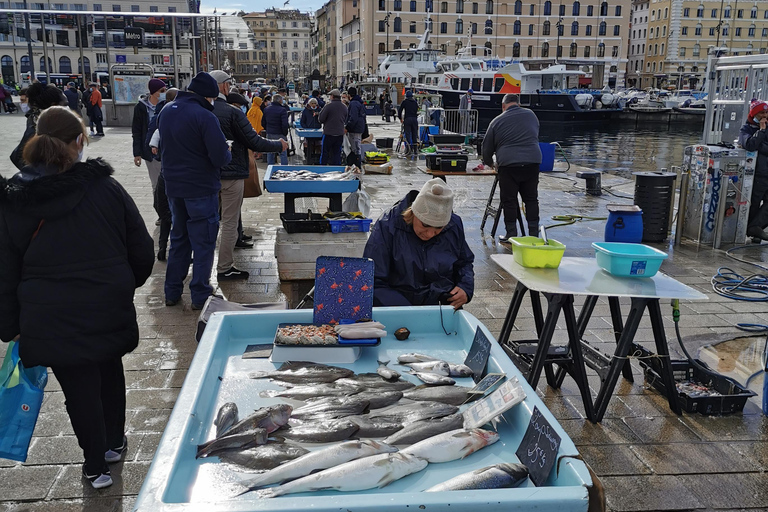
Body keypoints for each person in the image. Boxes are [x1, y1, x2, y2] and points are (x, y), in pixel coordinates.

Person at [0, 106, 154, 489]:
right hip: (105, 304)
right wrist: (122, 283)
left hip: (49, 316)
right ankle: (114, 443)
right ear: (80, 141)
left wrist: (11, 325)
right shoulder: (105, 187)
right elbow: (142, 249)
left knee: (78, 385)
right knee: (108, 370)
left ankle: (94, 464)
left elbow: (4, 269)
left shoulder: (15, 197)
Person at [157, 72, 232, 310]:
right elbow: (219, 157)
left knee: (178, 238)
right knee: (204, 241)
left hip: (173, 187)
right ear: (208, 97)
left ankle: (172, 291)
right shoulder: (204, 116)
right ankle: (200, 294)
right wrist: (227, 150)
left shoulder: (167, 110)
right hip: (200, 188)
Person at [210, 70, 287, 280]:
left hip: (205, 176)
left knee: (206, 221)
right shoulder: (231, 112)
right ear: (225, 87)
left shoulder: (198, 111)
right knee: (229, 222)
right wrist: (278, 145)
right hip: (231, 173)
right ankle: (224, 267)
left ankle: (201, 268)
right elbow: (254, 141)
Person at [363, 178, 474, 309]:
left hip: (441, 306)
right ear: (413, 214)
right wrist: (408, 312)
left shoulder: (453, 225)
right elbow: (372, 279)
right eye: (425, 225)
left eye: (438, 228)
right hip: (396, 307)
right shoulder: (388, 225)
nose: (429, 234)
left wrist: (465, 287)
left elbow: (464, 262)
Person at [482, 93, 542, 242]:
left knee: (509, 200)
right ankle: (534, 235)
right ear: (518, 104)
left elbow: (486, 148)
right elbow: (534, 134)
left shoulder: (496, 121)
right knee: (531, 199)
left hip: (509, 165)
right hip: (532, 162)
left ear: (503, 106)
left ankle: (511, 234)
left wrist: (490, 163)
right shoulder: (531, 115)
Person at [147, 87, 179, 261]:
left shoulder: (161, 115)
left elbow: (152, 139)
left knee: (166, 216)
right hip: (175, 176)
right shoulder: (175, 118)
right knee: (177, 216)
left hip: (165, 174)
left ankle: (162, 249)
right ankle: (173, 250)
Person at [10, 82, 67, 170]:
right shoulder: (39, 127)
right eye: (65, 104)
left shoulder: (38, 119)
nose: (68, 108)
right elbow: (19, 158)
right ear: (53, 105)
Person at [132, 78, 167, 199]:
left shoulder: (167, 105)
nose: (164, 93)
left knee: (168, 184)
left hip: (166, 150)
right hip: (149, 152)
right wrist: (137, 153)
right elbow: (136, 131)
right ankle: (161, 213)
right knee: (156, 185)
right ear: (153, 92)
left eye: (165, 90)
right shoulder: (141, 108)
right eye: (162, 90)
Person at [739, 100, 768, 241]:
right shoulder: (746, 129)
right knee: (754, 203)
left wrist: (761, 146)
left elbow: (760, 146)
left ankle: (755, 227)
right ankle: (752, 230)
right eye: (762, 113)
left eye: (766, 112)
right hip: (758, 173)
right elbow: (750, 145)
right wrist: (761, 131)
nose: (765, 115)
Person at [318, 89, 347, 165]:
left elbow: (321, 119)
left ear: (332, 96)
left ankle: (322, 168)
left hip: (328, 133)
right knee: (337, 153)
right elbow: (346, 119)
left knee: (325, 153)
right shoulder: (344, 107)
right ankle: (336, 169)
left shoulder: (328, 106)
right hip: (339, 134)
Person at [262, 94, 289, 165]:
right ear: (280, 100)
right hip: (280, 133)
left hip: (270, 133)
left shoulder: (266, 109)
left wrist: (267, 129)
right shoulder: (282, 110)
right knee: (283, 153)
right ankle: (284, 170)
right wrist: (285, 133)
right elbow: (285, 124)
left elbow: (263, 122)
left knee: (270, 153)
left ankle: (270, 168)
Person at [345, 86, 367, 167]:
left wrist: (347, 127)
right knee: (357, 147)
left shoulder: (354, 103)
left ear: (349, 95)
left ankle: (356, 166)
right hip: (360, 128)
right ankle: (357, 165)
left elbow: (353, 118)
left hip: (355, 129)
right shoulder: (359, 102)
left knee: (355, 148)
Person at [398, 90, 419, 155]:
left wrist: (400, 118)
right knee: (414, 134)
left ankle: (408, 150)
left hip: (407, 119)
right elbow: (417, 110)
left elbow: (400, 110)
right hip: (414, 119)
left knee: (408, 135)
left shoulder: (405, 102)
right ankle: (415, 150)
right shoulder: (415, 102)